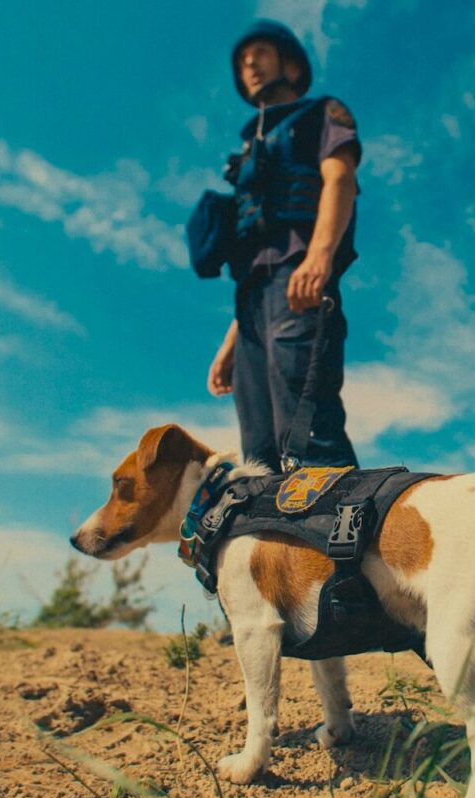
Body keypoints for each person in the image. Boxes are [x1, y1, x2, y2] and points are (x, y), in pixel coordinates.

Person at [205, 19, 361, 471]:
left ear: (290, 64)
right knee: (259, 454)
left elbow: (340, 178)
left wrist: (319, 257)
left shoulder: (320, 114)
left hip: (301, 281)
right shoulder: (246, 152)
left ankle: (344, 539)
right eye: (240, 61)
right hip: (251, 305)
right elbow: (255, 255)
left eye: (259, 54)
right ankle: (277, 542)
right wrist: (232, 341)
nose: (248, 64)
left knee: (308, 433)